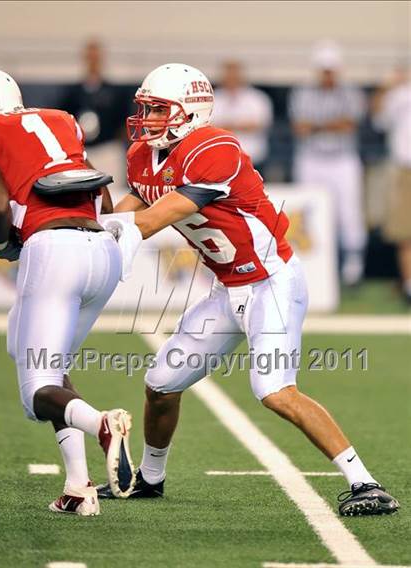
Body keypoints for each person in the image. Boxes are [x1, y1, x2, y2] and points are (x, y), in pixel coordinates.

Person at [96, 63, 399, 516]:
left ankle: (366, 483)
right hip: (227, 287)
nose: (148, 119)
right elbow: (135, 203)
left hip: (270, 282)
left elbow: (151, 220)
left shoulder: (214, 149)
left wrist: (93, 228)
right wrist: (92, 226)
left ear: (190, 112)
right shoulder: (144, 154)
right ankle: (150, 480)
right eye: (147, 109)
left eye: (159, 110)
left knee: (274, 389)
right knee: (161, 384)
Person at [0, 68, 135, 516]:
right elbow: (103, 197)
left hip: (55, 251)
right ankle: (78, 486)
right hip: (102, 251)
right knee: (32, 352)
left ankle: (101, 424)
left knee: (36, 392)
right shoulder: (59, 120)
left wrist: (0, 242)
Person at [289, 41, 367, 286]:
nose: (328, 75)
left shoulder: (351, 92)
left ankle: (352, 267)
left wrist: (316, 126)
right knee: (309, 210)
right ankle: (315, 264)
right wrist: (330, 125)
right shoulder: (303, 92)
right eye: (324, 70)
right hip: (311, 158)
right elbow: (300, 128)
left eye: (331, 70)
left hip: (343, 159)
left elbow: (349, 125)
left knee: (349, 212)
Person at [59, 40, 130, 201]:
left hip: (108, 149)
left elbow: (124, 121)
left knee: (113, 193)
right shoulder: (72, 92)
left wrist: (115, 141)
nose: (93, 60)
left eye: (96, 56)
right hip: (83, 152)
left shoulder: (115, 92)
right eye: (90, 56)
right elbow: (62, 120)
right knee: (83, 195)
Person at [371, 67, 411, 304]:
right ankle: (408, 286)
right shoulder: (400, 93)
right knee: (404, 231)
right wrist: (386, 87)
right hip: (404, 167)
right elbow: (378, 120)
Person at [212, 60, 273, 177]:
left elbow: (259, 125)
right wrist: (241, 125)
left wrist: (225, 126)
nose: (232, 77)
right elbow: (208, 127)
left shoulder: (257, 98)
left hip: (253, 159)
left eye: (235, 74)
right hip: (221, 161)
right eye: (228, 74)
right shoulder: (214, 97)